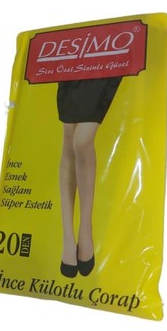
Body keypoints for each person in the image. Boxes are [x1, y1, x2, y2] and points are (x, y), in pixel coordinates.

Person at [57, 77, 121, 277]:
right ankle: (68, 237)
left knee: (81, 140)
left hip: (104, 62)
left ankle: (85, 229)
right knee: (69, 138)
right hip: (72, 62)